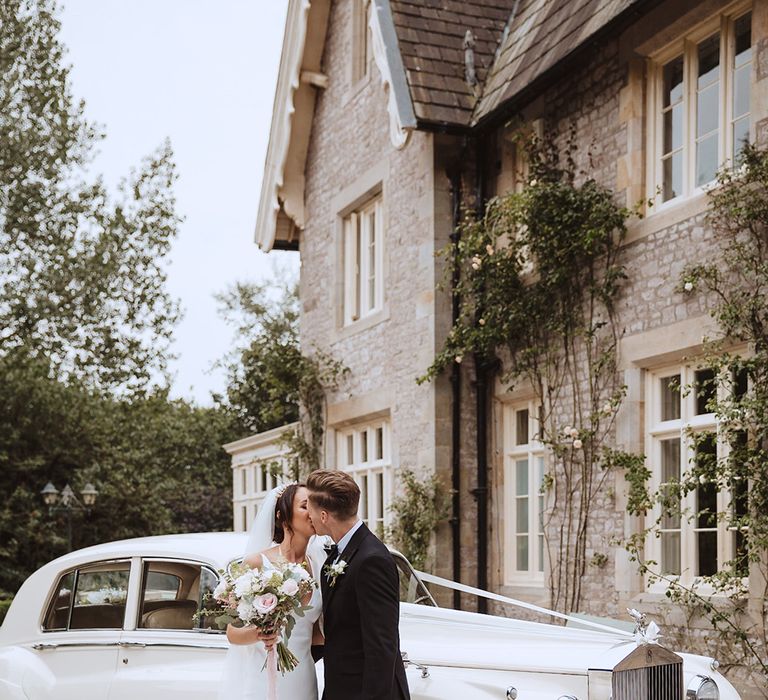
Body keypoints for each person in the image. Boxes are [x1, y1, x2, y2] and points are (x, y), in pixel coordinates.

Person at [306, 469, 410, 700]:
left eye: (309, 509)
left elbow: (382, 646)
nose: (308, 517)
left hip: (365, 692)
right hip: (342, 687)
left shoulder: (371, 560)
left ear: (323, 516)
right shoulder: (340, 553)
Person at [218, 482, 325, 700]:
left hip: (303, 679)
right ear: (283, 516)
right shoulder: (256, 563)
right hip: (264, 680)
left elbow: (314, 634)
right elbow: (232, 633)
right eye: (305, 506)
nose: (313, 512)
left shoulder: (318, 565)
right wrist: (259, 633)